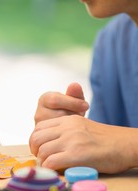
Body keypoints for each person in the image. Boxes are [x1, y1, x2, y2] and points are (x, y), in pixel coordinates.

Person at [29, 0, 138, 174]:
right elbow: (103, 152)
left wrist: (128, 145)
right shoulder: (110, 42)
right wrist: (67, 136)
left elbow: (113, 144)